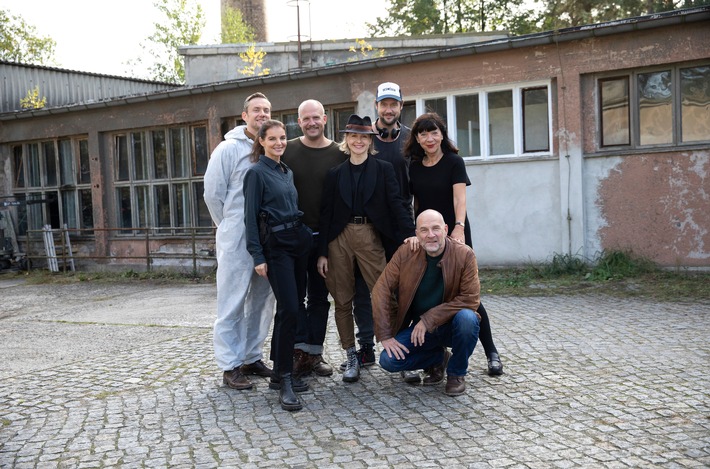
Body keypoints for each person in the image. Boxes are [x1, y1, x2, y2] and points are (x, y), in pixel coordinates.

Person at [317, 114, 416, 383]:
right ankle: (351, 354)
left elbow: (397, 203)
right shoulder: (335, 174)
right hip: (340, 237)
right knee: (342, 299)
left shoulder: (382, 169)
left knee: (384, 294)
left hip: (371, 235)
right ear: (346, 140)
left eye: (363, 136)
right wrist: (322, 251)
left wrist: (410, 234)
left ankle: (399, 354)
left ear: (369, 141)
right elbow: (325, 214)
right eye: (353, 136)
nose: (358, 141)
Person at [404, 112, 504, 377]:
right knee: (431, 288)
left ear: (442, 134)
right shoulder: (414, 166)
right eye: (423, 133)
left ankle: (491, 351)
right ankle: (434, 354)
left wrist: (458, 228)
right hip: (428, 236)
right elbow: (415, 204)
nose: (429, 138)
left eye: (434, 132)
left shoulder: (453, 162)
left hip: (455, 232)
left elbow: (460, 199)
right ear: (416, 138)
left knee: (468, 296)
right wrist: (416, 232)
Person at [281, 99, 371, 378]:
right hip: (294, 236)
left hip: (328, 239)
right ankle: (298, 353)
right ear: (298, 121)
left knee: (320, 298)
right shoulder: (288, 150)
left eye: (315, 118)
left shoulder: (339, 153)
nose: (311, 123)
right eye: (305, 118)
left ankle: (314, 353)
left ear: (324, 119)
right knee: (295, 298)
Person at [203, 92, 276, 392]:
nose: (261, 114)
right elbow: (213, 194)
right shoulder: (228, 149)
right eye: (256, 110)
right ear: (244, 115)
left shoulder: (271, 147)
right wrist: (228, 226)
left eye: (266, 110)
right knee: (232, 301)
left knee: (261, 301)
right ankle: (230, 365)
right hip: (236, 237)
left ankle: (251, 356)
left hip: (265, 236)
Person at [373, 209, 481, 396]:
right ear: (416, 234)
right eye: (424, 230)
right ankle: (438, 358)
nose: (430, 235)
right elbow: (380, 289)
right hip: (422, 332)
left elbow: (470, 299)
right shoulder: (406, 253)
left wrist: (428, 319)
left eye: (436, 228)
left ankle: (456, 373)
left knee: (467, 319)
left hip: (451, 326)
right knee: (388, 360)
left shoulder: (464, 255)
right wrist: (385, 334)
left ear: (446, 229)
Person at [243, 119, 312, 412]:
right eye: (272, 139)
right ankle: (283, 377)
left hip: (297, 242)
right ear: (261, 142)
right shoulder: (256, 173)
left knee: (297, 305)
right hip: (276, 249)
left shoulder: (286, 171)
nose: (279, 143)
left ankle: (278, 373)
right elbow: (250, 217)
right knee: (288, 309)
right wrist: (257, 256)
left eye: (282, 138)